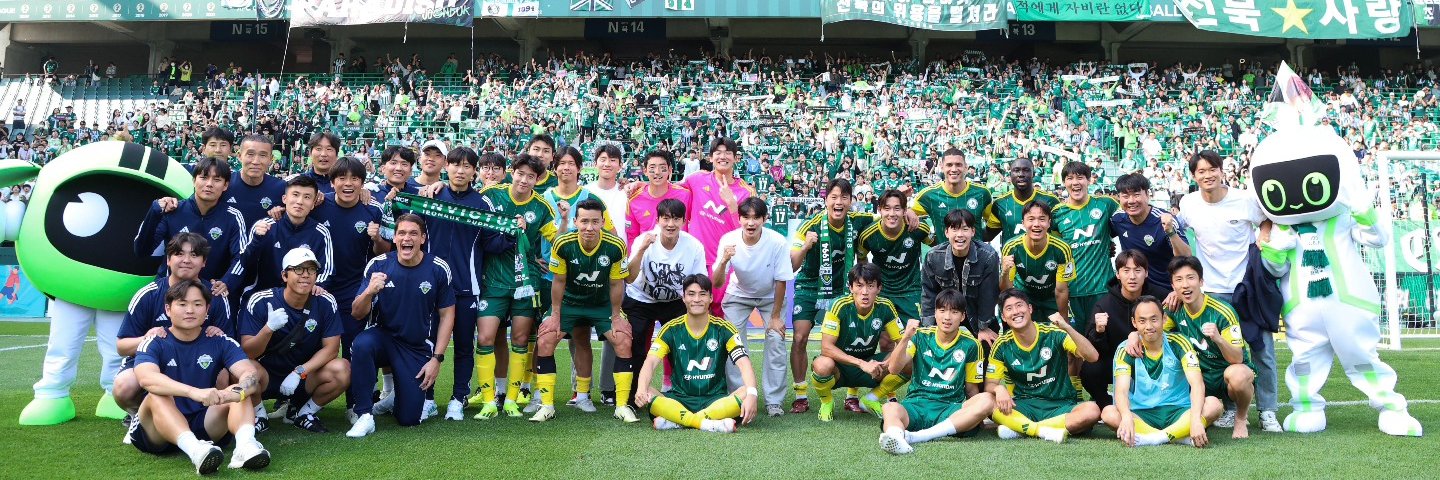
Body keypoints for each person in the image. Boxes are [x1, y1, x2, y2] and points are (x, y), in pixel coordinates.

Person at [1175, 150, 1279, 432]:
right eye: (1201, 171)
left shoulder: (1243, 199)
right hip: (1212, 292)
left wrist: (1264, 234)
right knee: (1220, 353)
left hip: (1247, 288)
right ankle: (1231, 409)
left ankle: (1268, 411)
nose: (1208, 175)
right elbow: (1177, 228)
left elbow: (1266, 218)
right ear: (1193, 176)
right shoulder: (1189, 204)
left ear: (1222, 171)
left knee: (1262, 349)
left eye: (1213, 169)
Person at [411, 147, 514, 421]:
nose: (460, 170)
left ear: (474, 171)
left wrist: (512, 234)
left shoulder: (482, 203)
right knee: (427, 343)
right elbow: (411, 231)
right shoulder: (431, 196)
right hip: (430, 285)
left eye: (467, 166)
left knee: (465, 345)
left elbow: (491, 243)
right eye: (456, 164)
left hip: (467, 287)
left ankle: (458, 398)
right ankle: (427, 399)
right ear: (447, 166)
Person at [126, 280, 269, 474]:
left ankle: (245, 447)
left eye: (197, 304)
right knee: (157, 395)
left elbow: (250, 374)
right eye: (182, 304)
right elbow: (147, 378)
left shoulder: (220, 340)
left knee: (239, 392)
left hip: (204, 422)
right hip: (156, 432)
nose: (190, 310)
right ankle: (195, 451)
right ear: (168, 310)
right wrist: (194, 392)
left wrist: (235, 393)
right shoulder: (154, 341)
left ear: (207, 309)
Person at [346, 214, 456, 437]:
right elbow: (357, 313)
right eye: (402, 233)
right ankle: (364, 414)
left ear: (423, 238)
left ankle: (399, 397)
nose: (407, 238)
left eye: (413, 233)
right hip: (382, 339)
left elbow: (447, 316)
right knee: (362, 344)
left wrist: (437, 359)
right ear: (395, 238)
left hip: (415, 346)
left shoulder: (438, 268)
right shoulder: (379, 264)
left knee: (409, 419)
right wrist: (369, 292)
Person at [532, 199, 638, 423]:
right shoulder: (563, 243)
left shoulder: (616, 245)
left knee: (623, 339)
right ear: (575, 221)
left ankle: (621, 406)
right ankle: (546, 406)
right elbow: (558, 281)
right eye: (584, 221)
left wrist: (616, 316)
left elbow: (617, 283)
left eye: (595, 222)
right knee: (546, 339)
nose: (589, 227)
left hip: (602, 304)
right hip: (569, 302)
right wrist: (555, 315)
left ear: (602, 222)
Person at [115, 234, 235, 415]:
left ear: (204, 262)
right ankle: (141, 415)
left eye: (194, 255)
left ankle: (207, 420)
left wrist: (218, 334)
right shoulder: (148, 294)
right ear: (168, 260)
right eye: (179, 254)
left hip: (200, 360)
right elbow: (121, 347)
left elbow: (231, 348)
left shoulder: (215, 295)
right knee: (124, 386)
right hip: (153, 361)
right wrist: (146, 338)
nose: (186, 260)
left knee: (224, 375)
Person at [478, 154, 558, 418]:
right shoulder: (491, 195)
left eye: (531, 176)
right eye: (520, 174)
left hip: (526, 281)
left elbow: (556, 240)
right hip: (494, 279)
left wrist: (564, 224)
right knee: (486, 337)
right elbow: (469, 212)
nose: (524, 180)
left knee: (521, 339)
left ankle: (512, 400)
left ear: (537, 179)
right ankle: (490, 399)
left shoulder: (541, 207)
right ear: (512, 172)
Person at [1141, 256, 1257, 439]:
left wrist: (1219, 339)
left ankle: (1241, 418)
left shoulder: (1222, 311)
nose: (1185, 285)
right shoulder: (1172, 310)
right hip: (1195, 377)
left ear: (1201, 281)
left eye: (1190, 278)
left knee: (1239, 375)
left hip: (1223, 374)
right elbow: (1154, 336)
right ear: (1173, 286)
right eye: (1179, 280)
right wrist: (1134, 336)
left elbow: (1237, 358)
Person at [238, 248, 351, 433]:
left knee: (342, 368)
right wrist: (268, 329)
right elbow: (247, 352)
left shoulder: (325, 301)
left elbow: (331, 349)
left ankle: (305, 413)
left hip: (304, 376)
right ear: (284, 275)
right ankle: (259, 415)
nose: (305, 275)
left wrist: (299, 372)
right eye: (298, 269)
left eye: (311, 269)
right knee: (242, 369)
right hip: (266, 376)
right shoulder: (260, 300)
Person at [789, 178, 875, 413]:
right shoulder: (809, 226)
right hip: (809, 287)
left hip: (843, 289)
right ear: (825, 200)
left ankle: (852, 395)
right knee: (800, 337)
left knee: (853, 338)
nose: (839, 202)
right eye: (834, 197)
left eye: (844, 197)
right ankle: (800, 394)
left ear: (851, 201)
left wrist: (909, 211)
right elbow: (792, 264)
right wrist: (806, 246)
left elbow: (889, 216)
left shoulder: (859, 220)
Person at [633, 275, 758, 433]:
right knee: (646, 390)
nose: (697, 299)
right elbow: (650, 362)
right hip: (679, 399)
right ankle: (709, 423)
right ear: (683, 298)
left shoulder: (724, 328)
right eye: (691, 294)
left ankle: (678, 421)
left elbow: (744, 364)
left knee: (747, 391)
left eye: (702, 294)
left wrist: (752, 394)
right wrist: (641, 389)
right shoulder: (671, 329)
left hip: (715, 400)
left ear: (711, 298)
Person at [877, 290, 994, 455]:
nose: (947, 317)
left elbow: (971, 389)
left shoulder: (971, 345)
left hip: (949, 410)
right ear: (935, 312)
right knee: (890, 407)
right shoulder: (920, 336)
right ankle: (896, 438)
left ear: (962, 316)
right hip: (916, 405)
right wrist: (905, 338)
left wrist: (976, 415)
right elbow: (893, 369)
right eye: (942, 310)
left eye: (954, 312)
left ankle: (915, 437)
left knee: (987, 399)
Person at [1102, 296, 1222, 448]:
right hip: (1142, 413)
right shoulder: (1125, 349)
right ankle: (1178, 436)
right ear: (1134, 322)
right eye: (1142, 321)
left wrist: (1196, 419)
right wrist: (1126, 417)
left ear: (1164, 319)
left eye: (1154, 319)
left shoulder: (1180, 342)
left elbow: (1197, 384)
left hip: (1179, 410)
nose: (1149, 326)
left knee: (1214, 405)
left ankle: (1154, 438)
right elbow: (1121, 391)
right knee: (1109, 413)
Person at [712, 197, 794, 417]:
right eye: (746, 217)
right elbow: (717, 283)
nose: (751, 223)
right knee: (734, 343)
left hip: (771, 296)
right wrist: (723, 260)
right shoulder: (728, 240)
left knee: (776, 339)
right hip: (738, 294)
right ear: (739, 218)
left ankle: (774, 401)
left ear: (764, 219)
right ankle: (739, 395)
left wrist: (775, 317)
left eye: (756, 217)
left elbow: (781, 280)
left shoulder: (777, 242)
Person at [986, 289, 1101, 443]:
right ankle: (1042, 430)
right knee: (987, 402)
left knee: (1092, 411)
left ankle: (1021, 428)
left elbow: (1092, 356)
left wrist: (1067, 328)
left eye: (1019, 305)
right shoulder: (1002, 344)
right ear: (1003, 317)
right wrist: (999, 389)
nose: (1016, 311)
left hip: (1060, 405)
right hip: (1025, 405)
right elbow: (990, 384)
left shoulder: (1053, 333)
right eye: (1009, 308)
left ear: (1030, 308)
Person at [622, 199, 705, 407]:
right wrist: (641, 250)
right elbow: (629, 278)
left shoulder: (694, 246)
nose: (670, 224)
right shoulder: (644, 240)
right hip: (641, 299)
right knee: (636, 346)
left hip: (675, 301)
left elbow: (699, 281)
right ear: (657, 220)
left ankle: (684, 394)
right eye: (666, 218)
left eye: (676, 219)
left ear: (684, 221)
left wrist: (695, 307)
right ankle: (632, 398)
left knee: (682, 347)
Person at [134, 156, 248, 302]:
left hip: (209, 294)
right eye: (204, 177)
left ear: (225, 185)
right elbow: (142, 251)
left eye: (217, 180)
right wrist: (154, 211)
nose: (209, 184)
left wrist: (227, 281)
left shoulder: (233, 216)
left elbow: (242, 257)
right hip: (170, 292)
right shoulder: (172, 211)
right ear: (194, 180)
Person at [809, 263, 908, 421]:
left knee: (907, 359)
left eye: (870, 286)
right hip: (840, 368)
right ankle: (826, 402)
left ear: (879, 288)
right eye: (859, 286)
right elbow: (826, 348)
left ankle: (871, 399)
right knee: (822, 364)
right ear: (850, 287)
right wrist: (861, 364)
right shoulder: (839, 305)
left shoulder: (886, 306)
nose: (865, 292)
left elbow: (903, 343)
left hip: (871, 367)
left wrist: (888, 362)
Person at [1081, 250, 1172, 407]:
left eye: (1137, 270)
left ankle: (1163, 402)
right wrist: (1099, 332)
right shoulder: (1104, 305)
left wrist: (1176, 294)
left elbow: (1175, 330)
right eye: (1126, 270)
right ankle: (1107, 405)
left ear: (1146, 273)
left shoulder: (1162, 297)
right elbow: (1094, 351)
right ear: (1118, 274)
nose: (1132, 276)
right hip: (1120, 362)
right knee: (1090, 370)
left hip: (1154, 359)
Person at [1050, 161, 1119, 335]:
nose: (1075, 182)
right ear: (1064, 182)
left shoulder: (1107, 204)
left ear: (1089, 180)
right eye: (1070, 178)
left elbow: (1125, 226)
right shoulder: (1057, 213)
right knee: (1079, 343)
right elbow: (1058, 250)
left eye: (1080, 177)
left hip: (1104, 288)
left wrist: (1108, 243)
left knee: (1106, 338)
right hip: (1073, 291)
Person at [239, 175, 333, 298]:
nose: (300, 201)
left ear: (313, 204)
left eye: (307, 197)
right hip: (263, 296)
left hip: (302, 298)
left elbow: (327, 270)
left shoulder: (321, 232)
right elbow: (244, 263)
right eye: (295, 195)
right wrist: (257, 239)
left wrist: (319, 284)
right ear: (284, 198)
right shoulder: (265, 226)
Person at [859, 189, 934, 335]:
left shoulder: (918, 228)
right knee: (885, 340)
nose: (892, 214)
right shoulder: (868, 235)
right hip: (883, 291)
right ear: (879, 210)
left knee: (915, 336)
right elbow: (862, 261)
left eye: (897, 208)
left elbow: (937, 244)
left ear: (905, 210)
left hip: (911, 290)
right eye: (887, 208)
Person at [920, 210, 1000, 343]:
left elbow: (989, 295)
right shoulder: (933, 257)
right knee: (931, 347)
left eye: (965, 229)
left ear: (973, 231)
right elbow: (928, 293)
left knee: (988, 344)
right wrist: (929, 327)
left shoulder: (987, 256)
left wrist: (983, 327)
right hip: (947, 316)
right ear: (946, 232)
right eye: (954, 229)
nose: (960, 235)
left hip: (977, 315)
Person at [1111, 173, 1191, 292]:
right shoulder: (1117, 219)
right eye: (1125, 196)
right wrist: (1108, 246)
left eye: (1137, 195)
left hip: (1167, 289)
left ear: (1148, 195)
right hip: (1135, 289)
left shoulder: (1164, 220)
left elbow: (1186, 256)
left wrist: (1170, 232)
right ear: (1119, 198)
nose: (1131, 201)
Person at [999, 201, 1075, 322]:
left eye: (1042, 219)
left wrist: (1063, 320)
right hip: (1024, 297)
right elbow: (1007, 290)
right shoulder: (1011, 247)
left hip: (1052, 298)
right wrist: (1004, 273)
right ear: (1023, 223)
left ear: (1049, 223)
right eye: (1031, 219)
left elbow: (1061, 290)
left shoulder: (1062, 248)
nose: (1036, 224)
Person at [912, 148, 993, 238]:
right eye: (949, 165)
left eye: (958, 165)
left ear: (966, 167)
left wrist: (979, 241)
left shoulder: (982, 193)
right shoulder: (928, 195)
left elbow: (994, 224)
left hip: (976, 248)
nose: (954, 169)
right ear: (942, 167)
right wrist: (930, 240)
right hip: (942, 248)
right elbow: (906, 215)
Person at [984, 157, 1059, 245]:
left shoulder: (1051, 201)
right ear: (1010, 175)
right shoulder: (1000, 204)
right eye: (1016, 170)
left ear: (1033, 174)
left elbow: (1060, 236)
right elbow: (988, 235)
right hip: (1010, 254)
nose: (1021, 174)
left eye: (1026, 170)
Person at [626, 150, 689, 249]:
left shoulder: (685, 195)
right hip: (647, 256)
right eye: (652, 167)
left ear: (670, 170)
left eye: (662, 167)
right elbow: (632, 237)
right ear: (645, 171)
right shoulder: (634, 200)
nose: (657, 172)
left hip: (680, 255)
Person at [224, 134, 287, 230]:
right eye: (250, 154)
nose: (256, 161)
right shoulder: (224, 185)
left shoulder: (281, 188)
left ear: (271, 159)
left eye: (263, 155)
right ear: (240, 156)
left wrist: (285, 212)